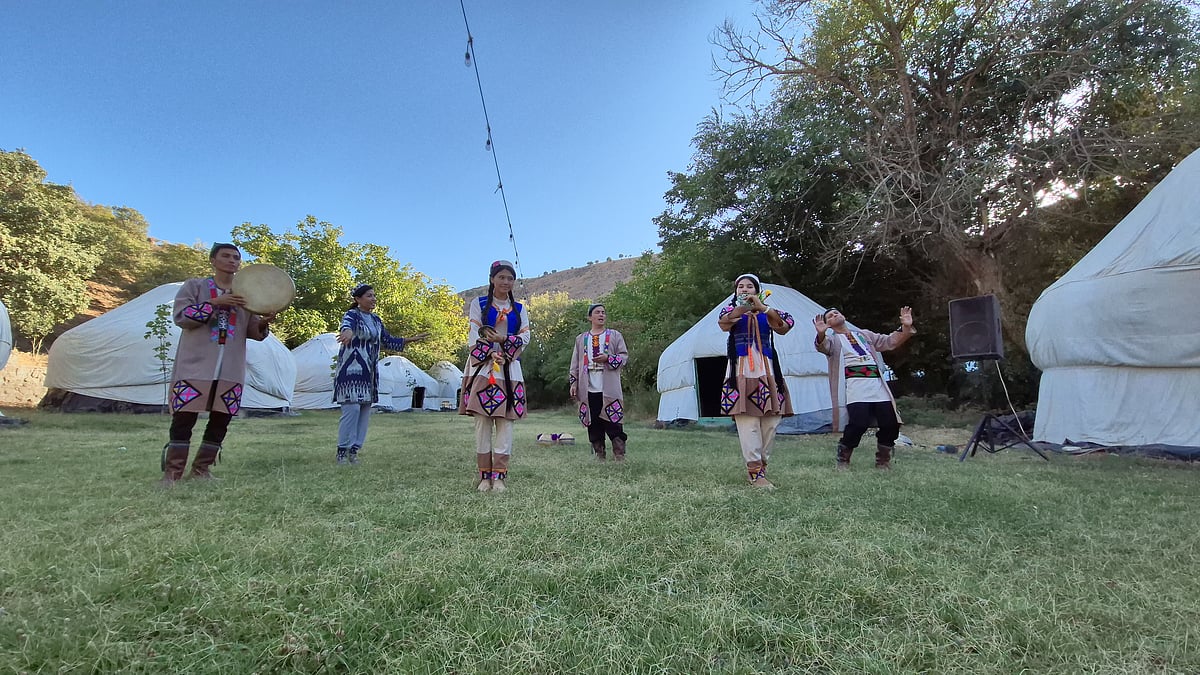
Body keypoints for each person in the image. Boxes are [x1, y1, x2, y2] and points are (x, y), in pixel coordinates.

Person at [159, 243, 276, 485]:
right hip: (196, 364)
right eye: (226, 256)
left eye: (236, 257)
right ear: (213, 260)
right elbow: (182, 317)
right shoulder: (195, 286)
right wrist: (215, 303)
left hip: (230, 367)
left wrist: (264, 322)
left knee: (221, 418)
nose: (232, 261)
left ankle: (202, 470)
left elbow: (253, 331)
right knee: (184, 417)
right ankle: (172, 474)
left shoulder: (246, 294)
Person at [333, 284, 429, 465]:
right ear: (358, 299)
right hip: (351, 370)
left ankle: (354, 451)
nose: (373, 299)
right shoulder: (351, 315)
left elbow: (387, 340)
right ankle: (342, 450)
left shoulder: (376, 320)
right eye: (369, 296)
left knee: (364, 410)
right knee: (351, 408)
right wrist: (347, 332)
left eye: (374, 296)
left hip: (369, 372)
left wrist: (409, 339)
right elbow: (347, 326)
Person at [717, 274, 795, 488]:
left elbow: (786, 324)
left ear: (757, 289)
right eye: (740, 287)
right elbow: (724, 321)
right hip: (741, 370)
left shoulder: (768, 312)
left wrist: (762, 307)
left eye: (749, 286)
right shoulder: (730, 311)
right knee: (748, 421)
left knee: (771, 422)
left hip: (767, 370)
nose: (744, 289)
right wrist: (745, 307)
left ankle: (762, 469)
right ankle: (755, 473)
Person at [813, 306, 915, 470]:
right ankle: (843, 459)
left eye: (836, 312)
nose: (834, 315)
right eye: (830, 316)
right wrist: (820, 334)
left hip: (876, 384)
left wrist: (906, 327)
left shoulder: (864, 334)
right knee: (859, 423)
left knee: (891, 423)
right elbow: (822, 346)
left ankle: (883, 461)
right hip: (855, 385)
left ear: (843, 315)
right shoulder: (832, 340)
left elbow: (889, 342)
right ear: (828, 325)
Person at [460, 260, 530, 492]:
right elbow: (473, 333)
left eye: (510, 278)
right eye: (501, 277)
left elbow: (525, 337)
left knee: (505, 422)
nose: (506, 282)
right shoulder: (478, 304)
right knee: (482, 421)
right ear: (492, 279)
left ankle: (499, 476)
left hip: (509, 370)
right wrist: (489, 352)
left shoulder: (520, 309)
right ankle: (484, 476)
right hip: (483, 367)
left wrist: (504, 345)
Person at [569, 304, 629, 461]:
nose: (601, 315)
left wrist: (608, 358)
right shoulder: (581, 339)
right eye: (597, 312)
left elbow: (624, 357)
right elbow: (575, 363)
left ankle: (619, 454)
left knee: (613, 420)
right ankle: (599, 454)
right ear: (590, 317)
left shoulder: (615, 335)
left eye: (603, 312)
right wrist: (573, 383)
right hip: (588, 387)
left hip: (609, 384)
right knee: (593, 421)